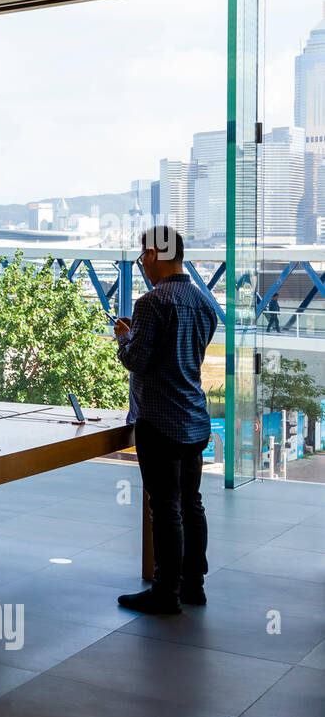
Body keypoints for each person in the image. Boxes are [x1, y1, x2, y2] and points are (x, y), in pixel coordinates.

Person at [114, 226, 220, 614]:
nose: (142, 262)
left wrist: (124, 337)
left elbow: (136, 361)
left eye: (144, 254)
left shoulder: (151, 303)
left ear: (156, 254)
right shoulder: (204, 302)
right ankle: (194, 585)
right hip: (194, 417)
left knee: (165, 506)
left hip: (159, 419)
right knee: (191, 502)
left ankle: (165, 592)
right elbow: (186, 356)